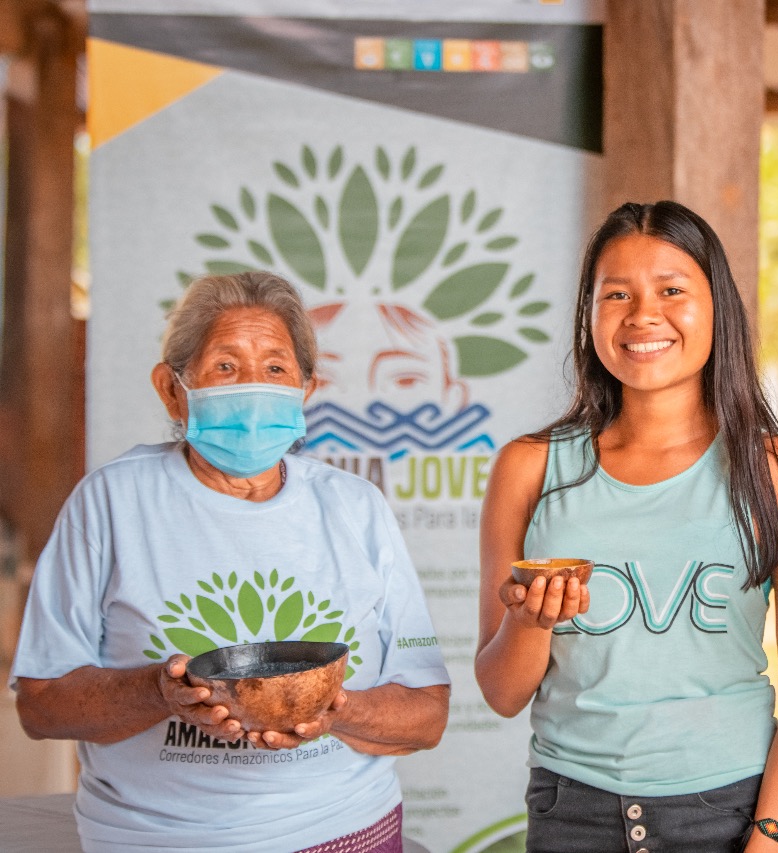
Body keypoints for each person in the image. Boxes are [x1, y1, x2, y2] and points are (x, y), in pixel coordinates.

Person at [12, 271, 451, 852]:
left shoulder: (355, 507)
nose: (253, 387)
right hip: (157, 840)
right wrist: (160, 692)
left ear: (305, 390)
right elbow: (41, 705)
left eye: (275, 368)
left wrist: (333, 711)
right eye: (225, 366)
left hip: (344, 831)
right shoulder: (113, 502)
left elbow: (426, 715)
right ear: (173, 389)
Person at [475, 201, 778, 853]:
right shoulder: (528, 467)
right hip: (570, 811)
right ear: (589, 316)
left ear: (717, 306)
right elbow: (502, 692)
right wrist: (530, 620)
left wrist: (774, 833)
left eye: (672, 289)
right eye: (616, 293)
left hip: (729, 810)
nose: (643, 314)